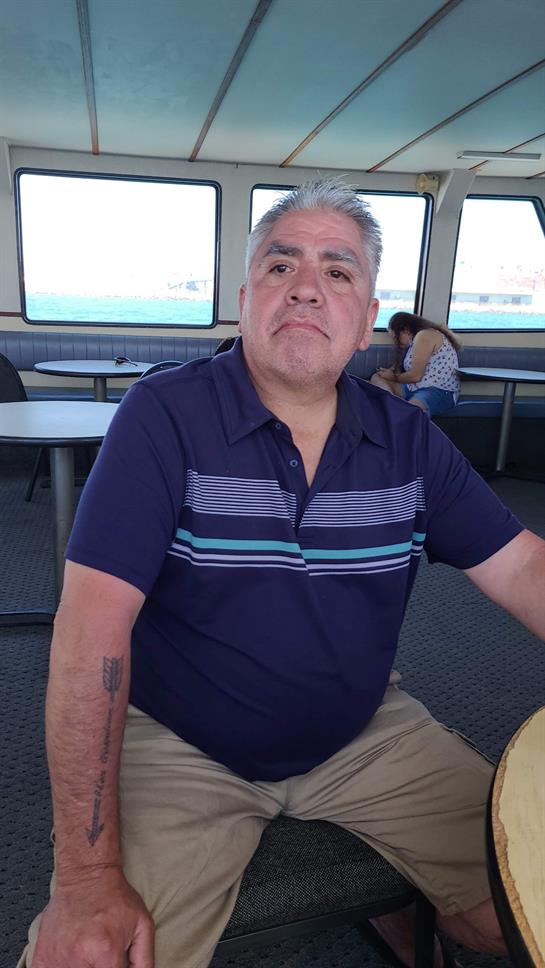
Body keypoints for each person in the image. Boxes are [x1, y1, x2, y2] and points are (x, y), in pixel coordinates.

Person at [22, 179, 545, 968]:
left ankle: (400, 906)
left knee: (520, 908)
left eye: (338, 272)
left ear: (368, 319)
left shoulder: (409, 442)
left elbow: (526, 567)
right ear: (243, 300)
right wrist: (87, 879)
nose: (306, 284)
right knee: (100, 952)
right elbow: (88, 632)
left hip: (363, 729)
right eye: (280, 265)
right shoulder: (163, 417)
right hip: (178, 740)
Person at [371, 311, 461, 416]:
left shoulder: (425, 336)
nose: (396, 342)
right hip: (414, 387)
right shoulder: (414, 341)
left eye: (396, 337)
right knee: (377, 377)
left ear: (406, 330)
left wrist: (393, 377)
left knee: (411, 412)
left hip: (439, 391)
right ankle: (392, 406)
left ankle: (399, 414)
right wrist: (388, 373)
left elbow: (415, 376)